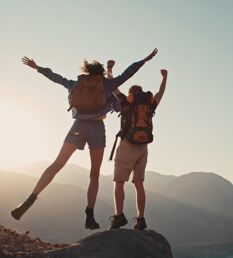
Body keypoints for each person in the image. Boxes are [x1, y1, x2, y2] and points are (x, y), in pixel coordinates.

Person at [11, 49, 158, 230]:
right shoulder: (106, 85)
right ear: (100, 73)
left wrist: (37, 67)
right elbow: (129, 73)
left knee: (57, 164)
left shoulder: (76, 84)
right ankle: (90, 216)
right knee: (94, 174)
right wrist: (144, 59)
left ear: (86, 71)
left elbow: (56, 78)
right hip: (97, 128)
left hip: (78, 127)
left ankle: (29, 199)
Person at [106, 61, 168, 230]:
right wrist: (164, 77)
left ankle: (119, 216)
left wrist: (110, 69)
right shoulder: (149, 105)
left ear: (131, 93)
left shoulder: (126, 102)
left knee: (119, 182)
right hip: (143, 147)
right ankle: (141, 219)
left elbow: (112, 86)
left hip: (127, 146)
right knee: (139, 184)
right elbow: (160, 93)